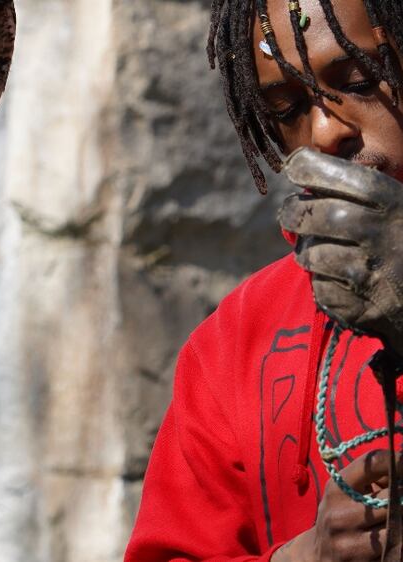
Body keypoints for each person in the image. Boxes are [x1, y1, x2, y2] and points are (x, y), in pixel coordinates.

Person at [127, 1, 403, 560]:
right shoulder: (235, 337)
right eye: (288, 107)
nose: (325, 131)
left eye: (356, 80)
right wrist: (305, 555)